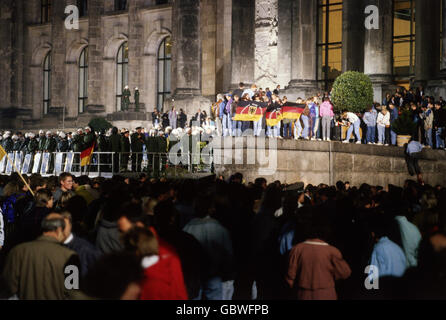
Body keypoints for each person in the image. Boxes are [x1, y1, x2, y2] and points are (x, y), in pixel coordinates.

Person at [2, 213, 80, 300]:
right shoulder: (70, 256)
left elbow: (8, 286)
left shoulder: (18, 251)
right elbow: (73, 291)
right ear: (58, 230)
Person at [286, 206, 351, 300]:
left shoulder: (296, 249)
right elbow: (345, 273)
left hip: (303, 294)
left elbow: (290, 276)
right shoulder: (332, 251)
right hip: (326, 294)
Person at [61, 211, 102, 277]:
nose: (60, 229)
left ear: (70, 225)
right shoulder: (51, 246)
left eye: (63, 225)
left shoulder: (85, 249)